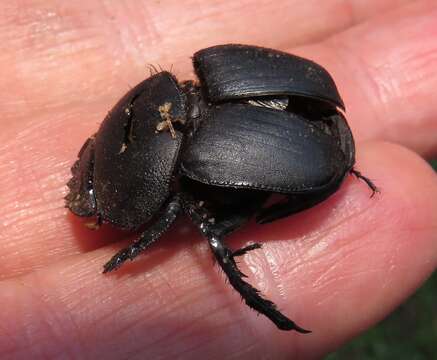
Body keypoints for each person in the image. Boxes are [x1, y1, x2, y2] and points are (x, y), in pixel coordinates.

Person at [1, 1, 437, 358]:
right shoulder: (189, 93)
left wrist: (137, 246)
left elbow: (168, 203)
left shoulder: (197, 156)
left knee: (202, 220)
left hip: (313, 155)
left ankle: (244, 290)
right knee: (199, 211)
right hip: (300, 138)